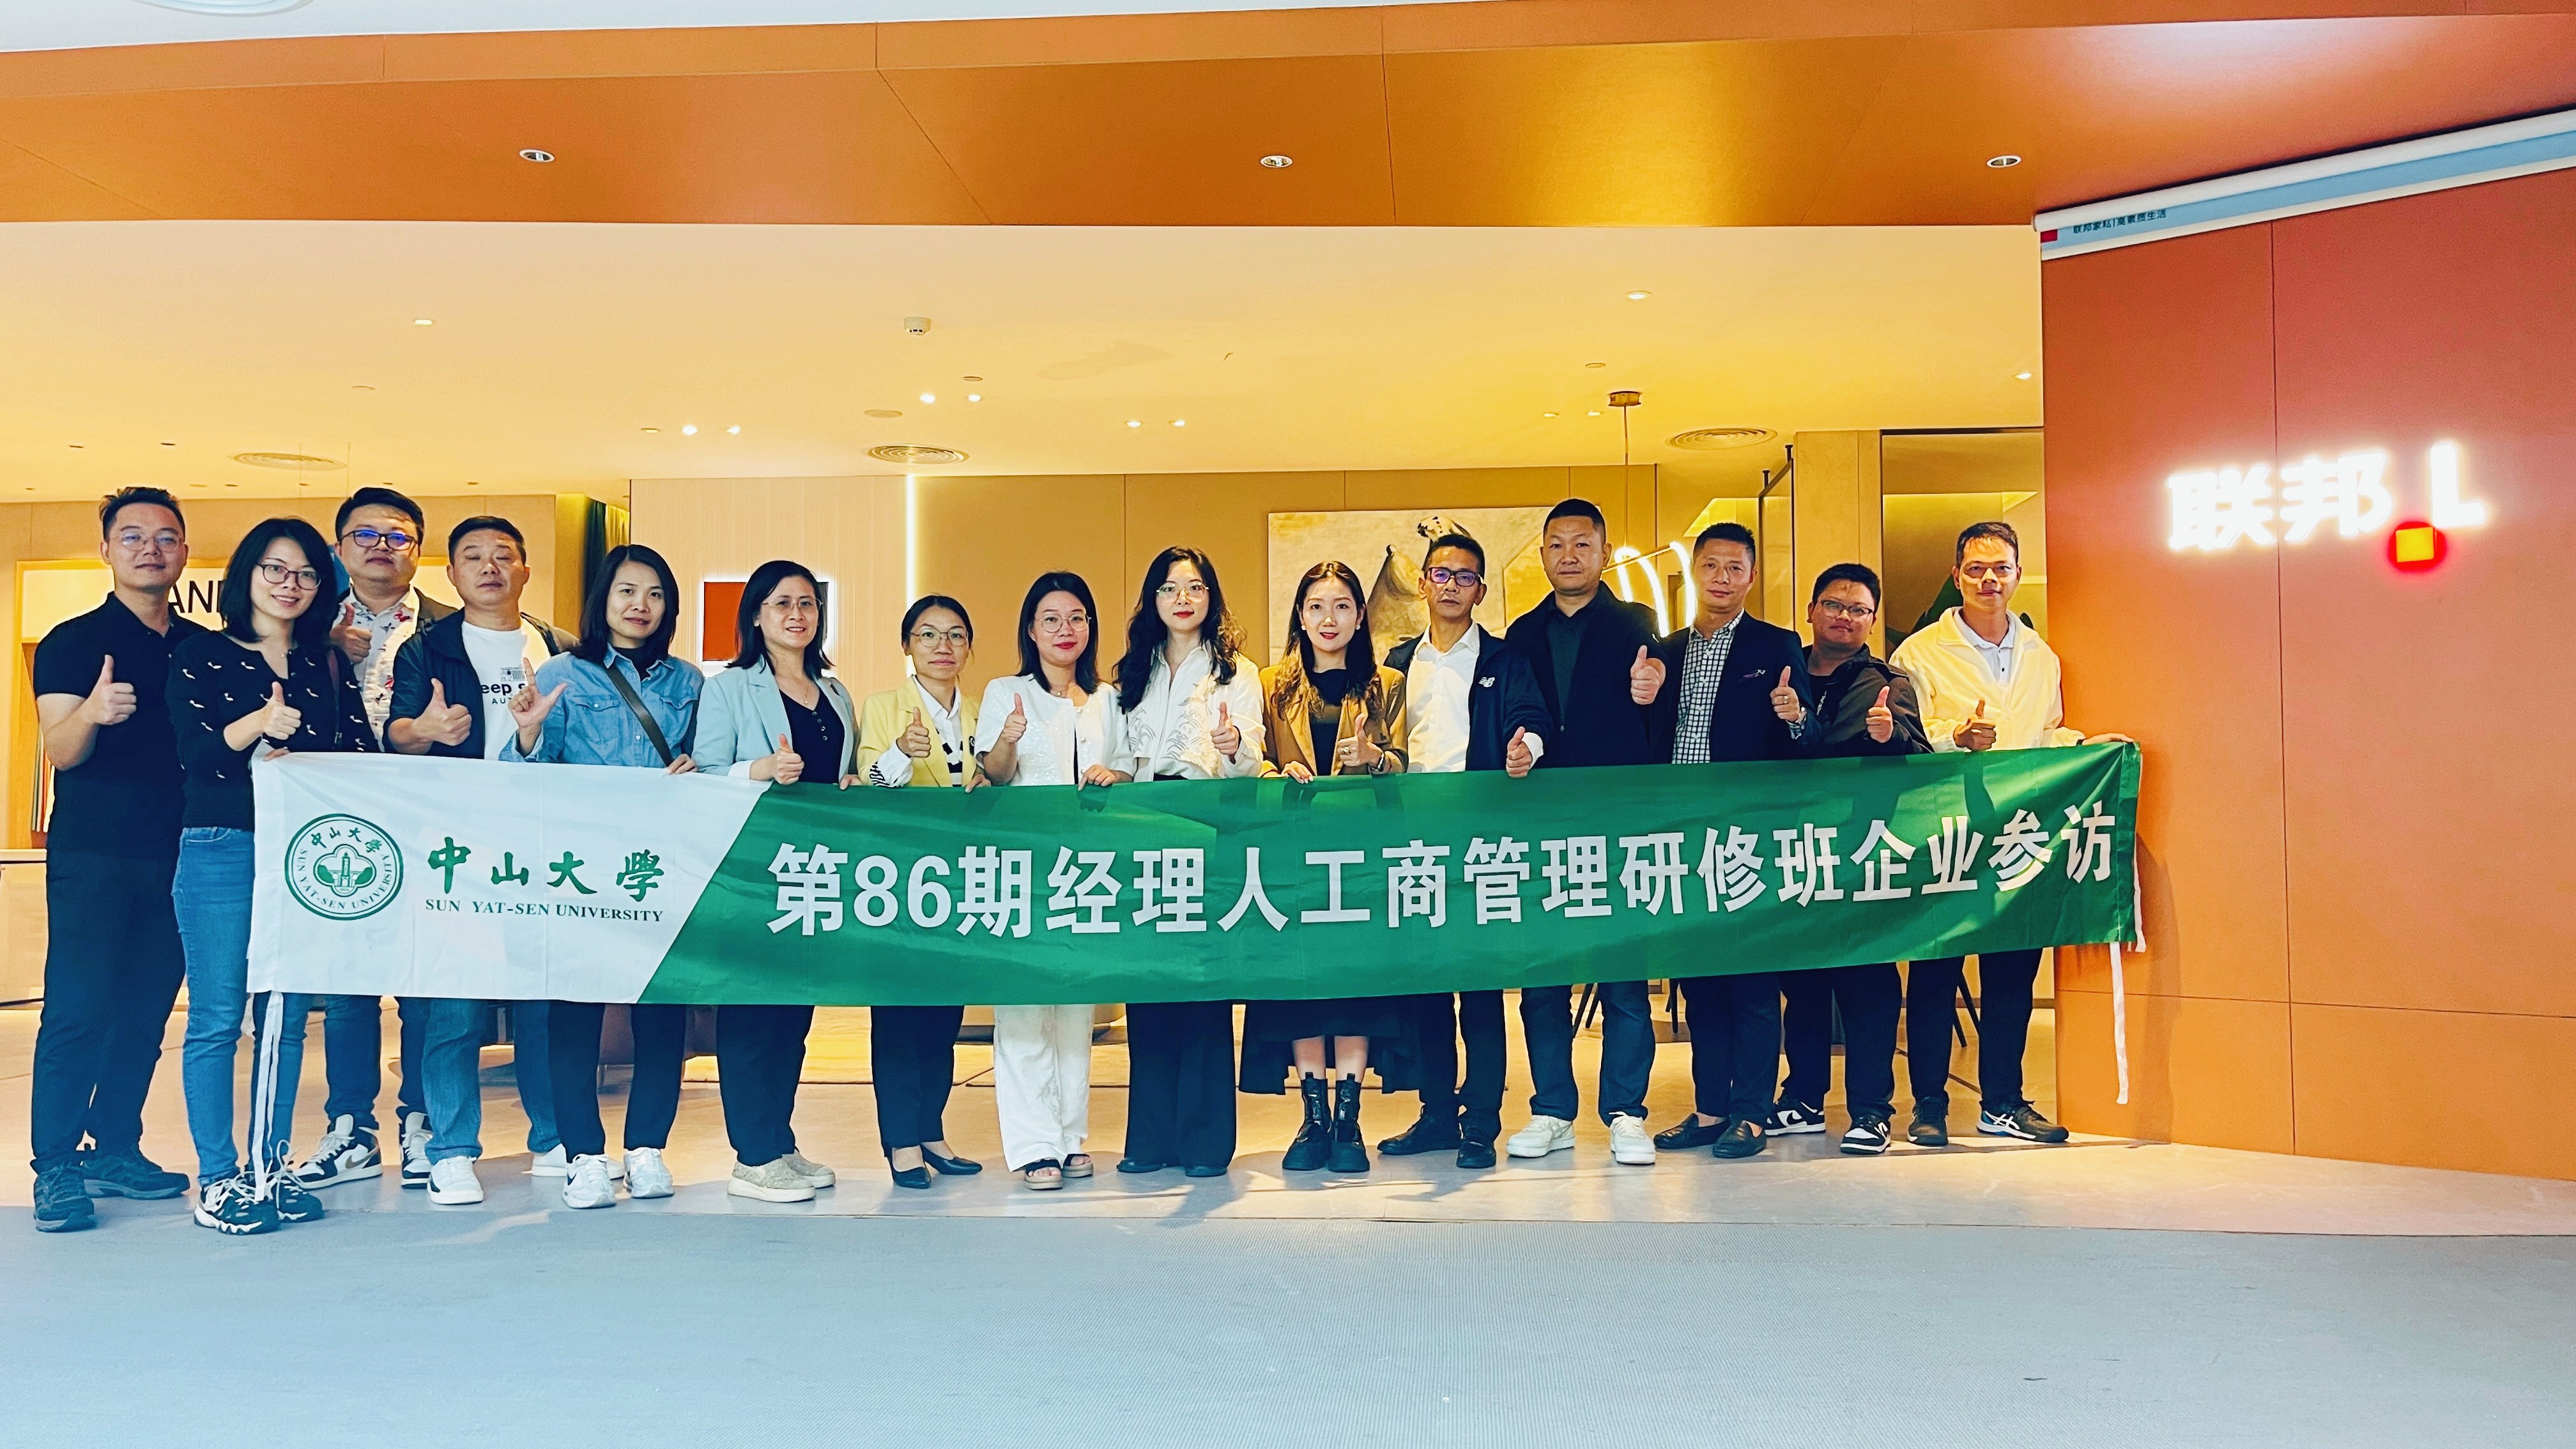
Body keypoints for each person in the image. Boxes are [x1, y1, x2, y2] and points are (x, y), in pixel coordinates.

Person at [1889, 521, 2129, 1147]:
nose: (1989, 580)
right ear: (1956, 577)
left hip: (2019, 839)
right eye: (1976, 569)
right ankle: (1929, 1104)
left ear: (2018, 575)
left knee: (2012, 975)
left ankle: (2003, 1101)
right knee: (1935, 975)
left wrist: (2084, 749)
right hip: (1947, 836)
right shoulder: (1918, 653)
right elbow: (1904, 741)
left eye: (2000, 568)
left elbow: (2043, 734)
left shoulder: (2041, 655)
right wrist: (1955, 738)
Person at [168, 518, 375, 1234]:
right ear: (247, 575)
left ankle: (270, 1167)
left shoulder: (327, 664)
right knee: (217, 1018)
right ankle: (219, 1178)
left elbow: (359, 753)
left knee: (284, 1019)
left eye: (307, 574)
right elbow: (196, 756)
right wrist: (260, 721)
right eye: (276, 570)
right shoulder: (202, 654)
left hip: (301, 858)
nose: (291, 585)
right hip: (222, 845)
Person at [501, 544, 703, 1209]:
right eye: (627, 591)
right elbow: (521, 777)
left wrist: (697, 770)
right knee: (575, 1014)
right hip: (583, 870)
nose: (641, 605)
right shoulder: (564, 673)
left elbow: (708, 765)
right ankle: (583, 1156)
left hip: (657, 867)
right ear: (603, 600)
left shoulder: (688, 681)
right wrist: (528, 734)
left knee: (660, 1012)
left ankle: (646, 1149)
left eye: (655, 594)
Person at [25, 489, 204, 1232]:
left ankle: (117, 1147)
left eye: (165, 537)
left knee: (145, 1010)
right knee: (79, 1009)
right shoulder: (73, 641)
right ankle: (56, 1165)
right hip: (94, 856)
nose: (149, 549)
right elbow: (60, 751)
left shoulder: (200, 647)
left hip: (182, 855)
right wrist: (91, 714)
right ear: (106, 550)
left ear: (184, 552)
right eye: (132, 536)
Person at [383, 516, 575, 1205]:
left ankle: (553, 1139)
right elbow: (397, 734)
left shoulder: (559, 649)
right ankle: (452, 1149)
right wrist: (425, 730)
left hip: (543, 850)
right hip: (456, 850)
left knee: (543, 1006)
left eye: (504, 556)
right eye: (473, 557)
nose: (490, 567)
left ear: (525, 570)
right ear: (452, 574)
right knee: (456, 1006)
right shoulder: (426, 649)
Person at [1636, 522, 1812, 1162]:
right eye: (1711, 565)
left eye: (1735, 568)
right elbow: (1645, 738)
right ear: (1696, 572)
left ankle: (1752, 1114)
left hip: (1746, 839)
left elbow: (1808, 745)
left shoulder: (1776, 645)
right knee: (1700, 982)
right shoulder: (1666, 650)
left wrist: (1796, 718)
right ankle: (1711, 1110)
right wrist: (1641, 699)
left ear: (1751, 577)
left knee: (1752, 983)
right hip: (1679, 837)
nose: (1722, 578)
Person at [1377, 532, 1551, 1170]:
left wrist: (1525, 749)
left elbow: (1533, 719)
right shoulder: (1396, 663)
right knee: (1426, 987)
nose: (1451, 585)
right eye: (1441, 574)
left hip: (1480, 843)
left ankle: (1480, 1121)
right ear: (1423, 583)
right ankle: (1435, 1115)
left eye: (1466, 577)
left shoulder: (1504, 659)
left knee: (1479, 989)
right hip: (1414, 845)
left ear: (1480, 591)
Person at [1499, 498, 1662, 1165]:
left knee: (1624, 976)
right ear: (1543, 555)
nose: (1569, 556)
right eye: (1557, 545)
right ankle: (1552, 1110)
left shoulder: (1638, 624)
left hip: (1618, 827)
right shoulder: (1521, 633)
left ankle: (1627, 1112)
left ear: (1604, 553)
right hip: (1539, 826)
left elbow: (1662, 710)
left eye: (1582, 544)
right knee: (1543, 978)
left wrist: (1653, 687)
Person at [299, 486, 450, 1193]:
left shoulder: (450, 628)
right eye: (365, 535)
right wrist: (321, 647)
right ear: (340, 548)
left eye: (397, 536)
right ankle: (349, 1127)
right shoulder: (302, 622)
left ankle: (421, 1121)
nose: (381, 547)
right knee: (348, 983)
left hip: (428, 821)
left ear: (418, 551)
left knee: (423, 982)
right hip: (337, 825)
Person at [693, 559, 855, 1203]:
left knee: (793, 1017)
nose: (797, 614)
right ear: (756, 615)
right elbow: (704, 775)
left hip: (813, 875)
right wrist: (758, 769)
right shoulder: (730, 688)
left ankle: (779, 1141)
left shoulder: (835, 693)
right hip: (752, 874)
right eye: (783, 603)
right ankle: (753, 1157)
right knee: (751, 1015)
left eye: (808, 603)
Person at [1242, 560, 1409, 1175]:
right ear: (1301, 615)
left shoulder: (1386, 683)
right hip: (1295, 862)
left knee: (1353, 990)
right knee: (1304, 989)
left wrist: (1374, 757)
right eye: (1316, 606)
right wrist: (1274, 772)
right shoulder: (1272, 684)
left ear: (1360, 615)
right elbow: (1255, 760)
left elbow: (1404, 767)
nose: (1328, 619)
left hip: (1360, 861)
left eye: (1341, 606)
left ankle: (1349, 1120)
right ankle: (1313, 1118)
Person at [1104, 547, 1262, 1180]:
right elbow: (1119, 755)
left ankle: (1203, 1144)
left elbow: (1250, 760)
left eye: (1195, 587)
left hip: (1205, 835)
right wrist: (1112, 772)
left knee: (1201, 988)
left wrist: (1234, 743)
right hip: (1143, 836)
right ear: (1154, 600)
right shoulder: (1131, 672)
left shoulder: (1236, 671)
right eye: (1169, 589)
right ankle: (1149, 1140)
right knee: (1148, 986)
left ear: (1211, 597)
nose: (1183, 599)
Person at [1779, 562, 1930, 1156]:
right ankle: (1803, 1098)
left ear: (1871, 620)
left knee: (1868, 987)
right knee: (1804, 985)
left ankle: (1871, 1111)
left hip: (1863, 857)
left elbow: (1922, 763)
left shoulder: (1888, 682)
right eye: (1834, 605)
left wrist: (1890, 736)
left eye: (1858, 609)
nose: (1844, 617)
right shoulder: (1782, 673)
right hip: (1793, 854)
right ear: (1812, 611)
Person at [973, 572, 1116, 1191]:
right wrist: (1007, 740)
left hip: (1089, 875)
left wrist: (1115, 776)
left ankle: (1069, 1136)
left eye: (1077, 617)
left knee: (1076, 1012)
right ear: (1031, 630)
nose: (1065, 630)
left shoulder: (1108, 699)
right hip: (1024, 873)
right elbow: (994, 774)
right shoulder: (1006, 692)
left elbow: (1126, 774)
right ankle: (1034, 1146)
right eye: (1051, 619)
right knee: (1025, 1010)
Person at [852, 595, 984, 1189]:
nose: (942, 647)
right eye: (928, 635)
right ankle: (902, 1142)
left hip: (962, 884)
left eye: (955, 635)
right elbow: (871, 779)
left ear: (969, 648)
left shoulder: (981, 711)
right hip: (899, 884)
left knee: (943, 1017)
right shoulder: (884, 707)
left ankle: (932, 1131)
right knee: (899, 1016)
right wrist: (902, 753)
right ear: (907, 645)